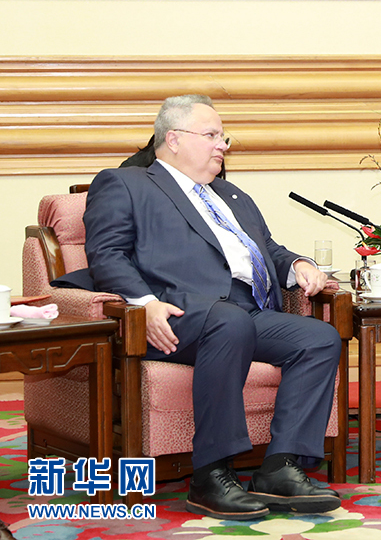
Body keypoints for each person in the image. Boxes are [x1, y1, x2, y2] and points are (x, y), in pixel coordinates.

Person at [83, 95, 342, 520]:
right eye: (212, 135)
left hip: (245, 313)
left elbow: (266, 248)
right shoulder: (126, 184)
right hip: (177, 313)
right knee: (230, 322)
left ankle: (280, 467)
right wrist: (144, 303)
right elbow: (106, 255)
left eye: (224, 137)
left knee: (319, 338)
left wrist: (297, 265)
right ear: (174, 139)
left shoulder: (231, 195)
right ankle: (210, 474)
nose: (223, 145)